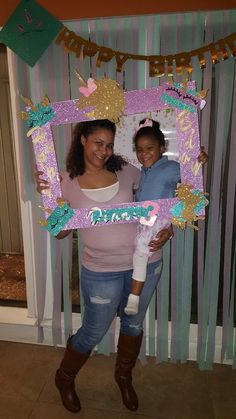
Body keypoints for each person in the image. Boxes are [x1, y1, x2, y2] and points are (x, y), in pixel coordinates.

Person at [35, 118, 172, 414]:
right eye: (99, 142)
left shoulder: (126, 170)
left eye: (109, 144)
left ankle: (123, 377)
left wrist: (170, 224)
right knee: (94, 330)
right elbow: (60, 232)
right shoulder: (65, 181)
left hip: (146, 262)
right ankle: (64, 377)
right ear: (82, 139)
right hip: (100, 270)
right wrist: (46, 196)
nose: (104, 150)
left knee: (133, 324)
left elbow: (163, 192)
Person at [124, 118, 208, 315]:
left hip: (159, 219)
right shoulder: (143, 171)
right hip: (145, 220)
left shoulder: (169, 167)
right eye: (139, 149)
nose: (143, 153)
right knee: (138, 247)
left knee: (142, 249)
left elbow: (190, 175)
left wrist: (199, 159)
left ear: (162, 148)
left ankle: (133, 298)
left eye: (149, 148)